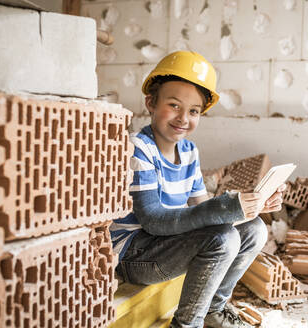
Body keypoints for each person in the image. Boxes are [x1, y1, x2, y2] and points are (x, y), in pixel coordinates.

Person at [110, 51, 286, 328]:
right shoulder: (138, 148)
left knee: (254, 229)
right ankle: (186, 324)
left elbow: (201, 209)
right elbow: (154, 221)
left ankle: (214, 311)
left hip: (165, 246)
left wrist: (251, 207)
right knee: (222, 239)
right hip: (136, 255)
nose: (183, 118)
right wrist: (223, 207)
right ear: (151, 103)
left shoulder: (189, 152)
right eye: (174, 105)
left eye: (193, 111)